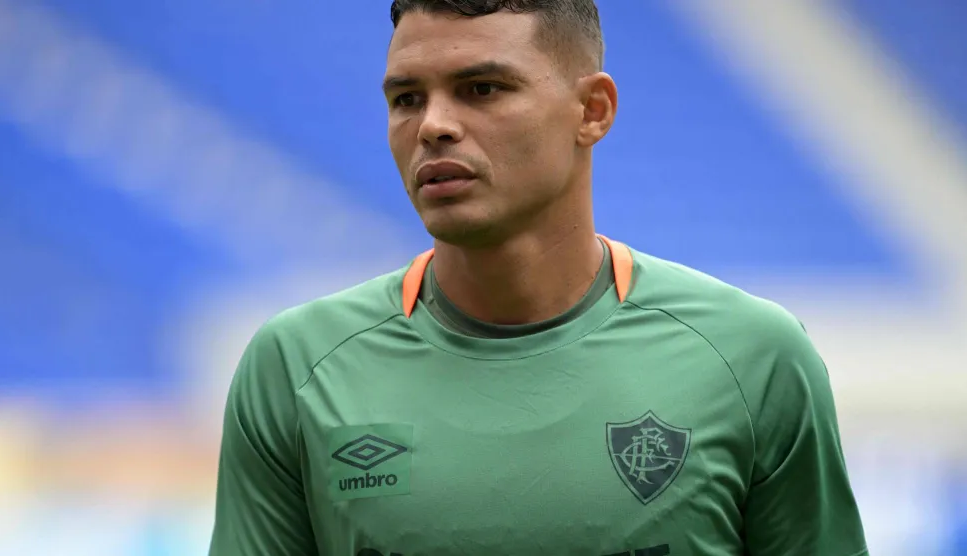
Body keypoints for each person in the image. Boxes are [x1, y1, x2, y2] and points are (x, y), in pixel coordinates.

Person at [208, 1, 868, 554]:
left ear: (593, 111)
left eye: (481, 89)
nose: (433, 125)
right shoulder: (296, 367)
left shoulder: (752, 359)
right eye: (406, 98)